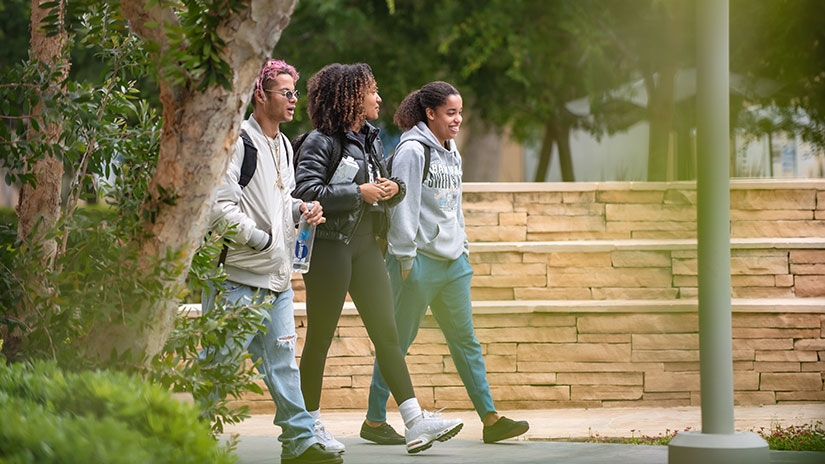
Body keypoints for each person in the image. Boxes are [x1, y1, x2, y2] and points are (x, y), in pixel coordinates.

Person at [293, 63, 463, 455]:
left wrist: (394, 187)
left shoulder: (370, 139)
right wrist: (360, 193)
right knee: (319, 338)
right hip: (331, 249)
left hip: (367, 246)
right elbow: (305, 191)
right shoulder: (321, 141)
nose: (379, 98)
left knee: (388, 336)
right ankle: (309, 426)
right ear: (351, 96)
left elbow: (387, 184)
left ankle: (415, 422)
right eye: (372, 91)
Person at [364, 81, 530, 445]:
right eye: (451, 113)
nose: (458, 120)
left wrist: (463, 245)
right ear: (431, 113)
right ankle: (375, 420)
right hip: (417, 260)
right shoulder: (411, 150)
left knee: (465, 341)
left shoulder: (451, 149)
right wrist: (406, 259)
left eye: (460, 112)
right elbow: (403, 206)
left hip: (453, 262)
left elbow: (453, 203)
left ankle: (491, 418)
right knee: (398, 342)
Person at [205, 59, 342, 464]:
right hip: (237, 279)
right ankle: (187, 440)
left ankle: (299, 443)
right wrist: (264, 240)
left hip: (277, 279)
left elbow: (278, 200)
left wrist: (302, 209)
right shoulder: (237, 142)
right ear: (260, 94)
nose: (294, 100)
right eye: (286, 92)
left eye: (295, 92)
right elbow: (219, 208)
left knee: (283, 363)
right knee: (219, 368)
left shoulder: (283, 144)